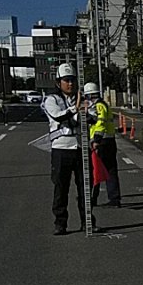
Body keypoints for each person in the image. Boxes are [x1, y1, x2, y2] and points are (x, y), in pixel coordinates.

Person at [42, 64, 92, 236]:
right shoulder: (52, 100)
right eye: (66, 80)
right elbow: (59, 116)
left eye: (72, 80)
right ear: (58, 82)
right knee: (61, 188)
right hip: (61, 149)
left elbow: (90, 117)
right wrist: (75, 108)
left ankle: (88, 221)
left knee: (85, 187)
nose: (70, 84)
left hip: (79, 147)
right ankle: (60, 223)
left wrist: (84, 111)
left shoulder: (80, 98)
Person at [83, 83, 122, 208]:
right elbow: (96, 120)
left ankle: (93, 198)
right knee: (110, 170)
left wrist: (96, 140)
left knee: (96, 170)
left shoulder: (99, 106)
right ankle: (114, 198)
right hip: (109, 141)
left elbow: (100, 123)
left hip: (101, 142)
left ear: (90, 96)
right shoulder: (103, 105)